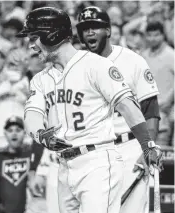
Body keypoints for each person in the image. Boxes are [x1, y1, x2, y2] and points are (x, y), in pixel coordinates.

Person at [17, 7, 163, 213]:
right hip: (64, 165)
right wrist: (40, 134)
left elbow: (127, 105)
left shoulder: (96, 65)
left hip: (97, 162)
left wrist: (147, 145)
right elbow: (32, 114)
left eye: (34, 37)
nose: (31, 45)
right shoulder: (40, 79)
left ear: (52, 34)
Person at [76, 6, 161, 213]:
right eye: (85, 28)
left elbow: (150, 110)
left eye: (95, 27)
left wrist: (147, 147)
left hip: (130, 146)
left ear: (108, 30)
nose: (89, 33)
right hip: (94, 154)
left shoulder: (132, 61)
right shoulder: (77, 66)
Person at [0, 116, 37, 213]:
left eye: (18, 130)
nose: (14, 133)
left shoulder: (31, 156)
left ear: (24, 133)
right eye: (10, 130)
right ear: (5, 134)